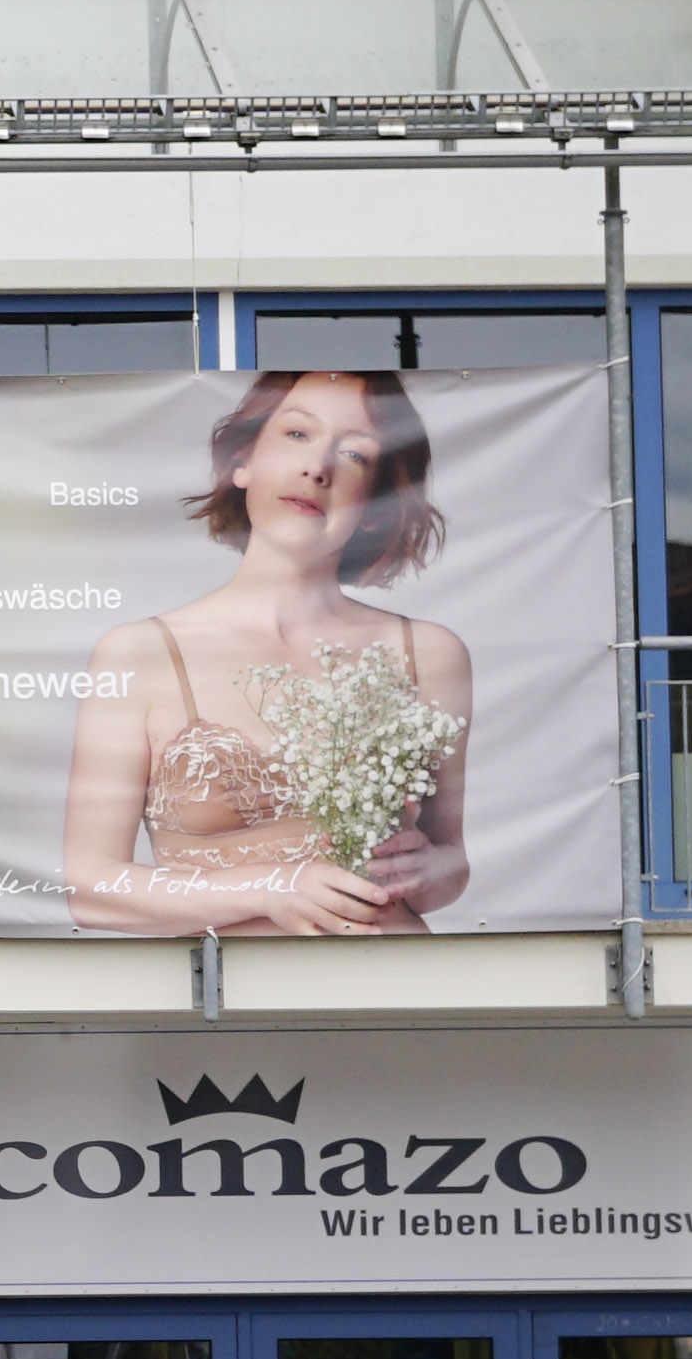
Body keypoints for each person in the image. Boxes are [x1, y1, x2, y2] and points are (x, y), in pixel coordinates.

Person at [59, 368, 478, 935]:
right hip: (226, 989)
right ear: (242, 462)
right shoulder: (140, 653)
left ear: (378, 501)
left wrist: (431, 870)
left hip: (397, 977)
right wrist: (270, 887)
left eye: (355, 454)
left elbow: (451, 860)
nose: (317, 467)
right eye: (297, 434)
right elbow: (89, 890)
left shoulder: (428, 653)